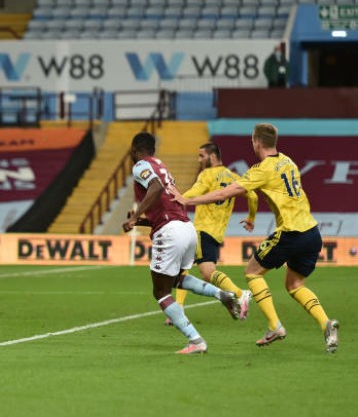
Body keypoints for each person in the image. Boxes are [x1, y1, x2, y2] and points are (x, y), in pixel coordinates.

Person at [169, 123, 339, 353]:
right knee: (295, 284)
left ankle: (275, 326)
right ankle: (326, 324)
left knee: (252, 271)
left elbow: (224, 192)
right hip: (312, 232)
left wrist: (185, 200)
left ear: (256, 142)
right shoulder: (288, 161)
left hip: (290, 232)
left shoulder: (262, 169)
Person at [122, 132, 241, 355]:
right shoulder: (161, 165)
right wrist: (143, 221)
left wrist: (133, 216)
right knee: (176, 278)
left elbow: (156, 189)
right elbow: (165, 202)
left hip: (170, 232)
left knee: (160, 292)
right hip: (186, 227)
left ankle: (196, 340)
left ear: (136, 149)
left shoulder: (141, 165)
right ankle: (221, 294)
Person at [168, 142, 258, 325]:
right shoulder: (234, 177)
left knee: (207, 272)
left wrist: (180, 197)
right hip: (216, 233)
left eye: (202, 156)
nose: (199, 160)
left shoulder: (207, 174)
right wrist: (251, 218)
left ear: (213, 157)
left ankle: (240, 294)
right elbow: (254, 196)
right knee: (183, 267)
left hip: (202, 230)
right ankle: (178, 309)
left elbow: (196, 191)